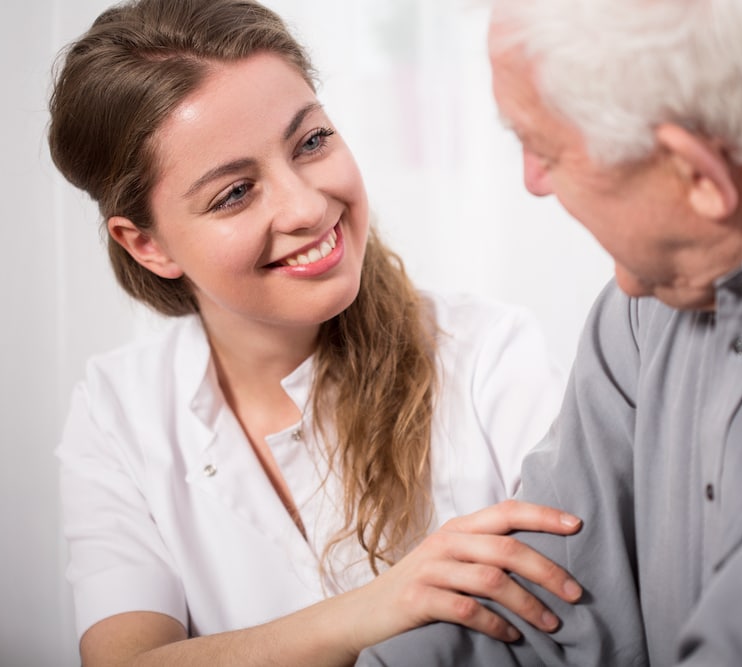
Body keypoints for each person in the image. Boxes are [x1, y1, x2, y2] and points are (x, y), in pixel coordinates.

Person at [356, 0, 742, 665]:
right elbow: (521, 606)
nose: (532, 182)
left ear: (698, 176)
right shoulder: (659, 293)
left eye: (543, 147)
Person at [48, 0, 586, 665]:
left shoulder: (490, 357)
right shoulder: (117, 410)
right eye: (235, 192)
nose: (306, 205)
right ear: (147, 244)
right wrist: (374, 607)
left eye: (311, 141)